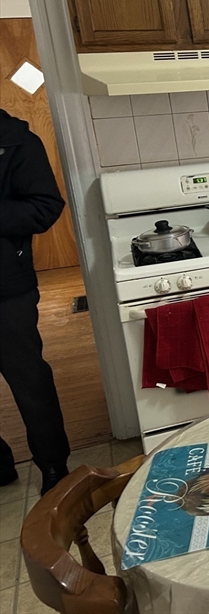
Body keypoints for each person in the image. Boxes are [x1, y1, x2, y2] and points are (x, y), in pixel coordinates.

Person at [0, 109, 71, 495]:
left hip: (6, 286)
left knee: (28, 379)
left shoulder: (15, 139)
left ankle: (54, 466)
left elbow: (46, 206)